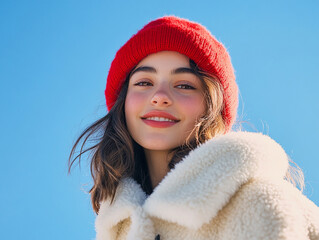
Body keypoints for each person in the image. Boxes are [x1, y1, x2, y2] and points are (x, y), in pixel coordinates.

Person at [69, 16, 319, 240]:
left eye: (185, 85)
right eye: (144, 82)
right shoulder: (118, 229)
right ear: (123, 104)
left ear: (212, 107)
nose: (159, 96)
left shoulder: (259, 201)